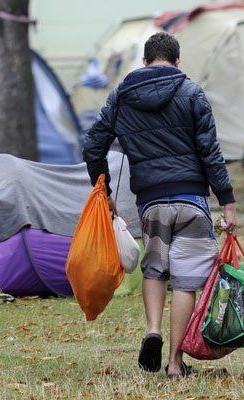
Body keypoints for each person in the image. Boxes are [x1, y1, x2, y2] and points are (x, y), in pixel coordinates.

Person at [82, 32, 238, 378]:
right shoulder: (191, 92)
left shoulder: (121, 96)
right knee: (185, 282)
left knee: (155, 268)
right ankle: (174, 363)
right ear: (177, 61)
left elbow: (93, 146)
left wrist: (103, 188)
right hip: (191, 200)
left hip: (150, 203)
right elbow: (210, 152)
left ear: (145, 61)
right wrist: (227, 201)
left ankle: (152, 331)